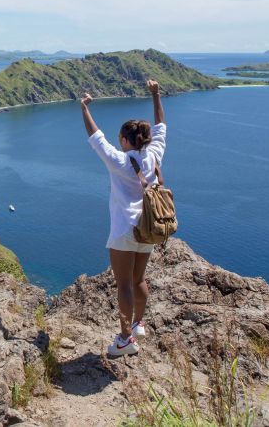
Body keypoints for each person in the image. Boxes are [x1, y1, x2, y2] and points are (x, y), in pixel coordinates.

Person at [80, 80, 166, 357]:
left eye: (121, 138)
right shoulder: (154, 154)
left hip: (124, 230)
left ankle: (126, 339)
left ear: (126, 140)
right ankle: (139, 323)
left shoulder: (119, 161)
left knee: (124, 286)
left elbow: (96, 137)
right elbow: (161, 126)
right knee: (139, 279)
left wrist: (84, 108)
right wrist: (156, 94)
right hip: (149, 227)